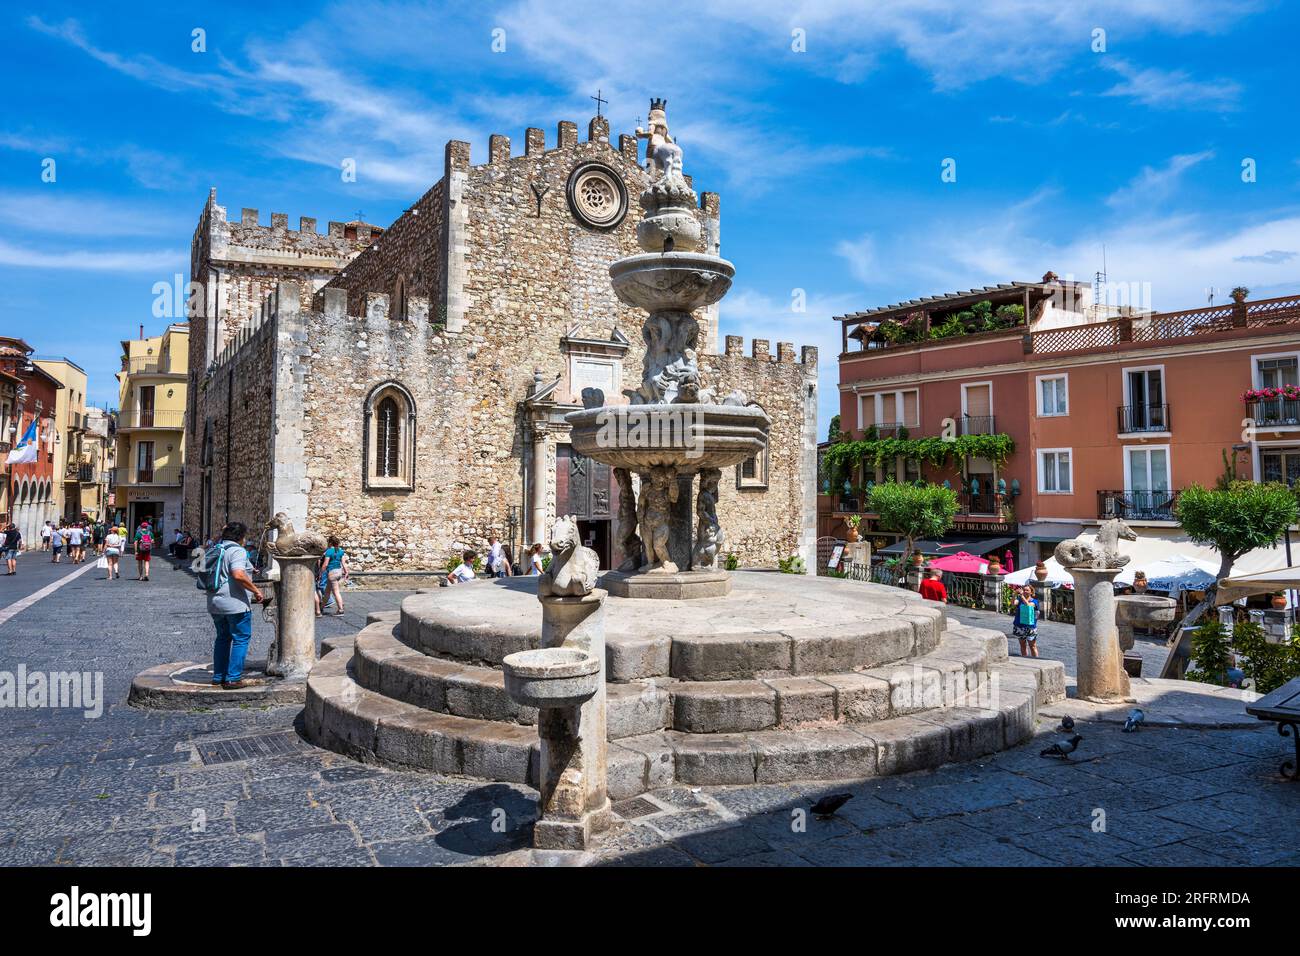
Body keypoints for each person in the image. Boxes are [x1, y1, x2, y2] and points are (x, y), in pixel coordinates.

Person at [203, 522, 264, 690]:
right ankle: (233, 678)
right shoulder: (237, 550)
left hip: (215, 602)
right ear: (240, 537)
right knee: (241, 638)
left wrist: (250, 570)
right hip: (234, 604)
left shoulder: (216, 548)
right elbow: (237, 574)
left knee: (222, 638)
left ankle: (218, 676)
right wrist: (256, 591)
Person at [315, 536, 350, 616]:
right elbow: (343, 564)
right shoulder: (341, 551)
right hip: (339, 572)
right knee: (327, 592)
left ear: (330, 543)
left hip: (332, 573)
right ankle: (321, 608)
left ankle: (340, 610)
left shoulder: (329, 551)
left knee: (336, 592)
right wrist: (346, 572)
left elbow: (325, 564)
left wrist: (320, 573)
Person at [1012, 585, 1040, 658]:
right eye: (1024, 590)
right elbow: (1013, 603)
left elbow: (1028, 606)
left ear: (1031, 592)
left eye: (1027, 590)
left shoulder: (1034, 601)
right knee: (1023, 645)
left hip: (1030, 627)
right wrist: (1015, 594)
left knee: (1033, 646)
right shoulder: (1019, 599)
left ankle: (1036, 661)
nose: (1025, 591)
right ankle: (1025, 659)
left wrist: (1021, 596)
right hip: (1020, 625)